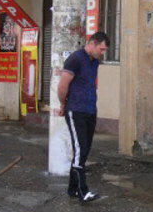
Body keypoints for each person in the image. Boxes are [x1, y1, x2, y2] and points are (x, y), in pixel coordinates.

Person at [55, 32, 109, 203]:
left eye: (104, 50)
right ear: (92, 43)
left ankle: (72, 189)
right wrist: (64, 104)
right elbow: (63, 85)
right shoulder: (75, 59)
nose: (102, 53)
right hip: (76, 111)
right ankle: (82, 192)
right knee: (80, 151)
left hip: (90, 111)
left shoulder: (94, 62)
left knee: (83, 152)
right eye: (101, 49)